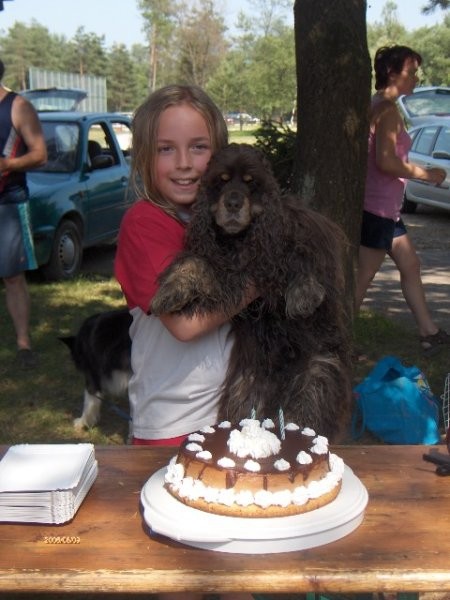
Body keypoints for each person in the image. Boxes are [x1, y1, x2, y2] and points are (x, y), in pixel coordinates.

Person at [115, 84, 256, 600]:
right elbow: (186, 322)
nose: (184, 164)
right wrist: (261, 279)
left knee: (234, 563)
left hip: (235, 421)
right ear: (144, 158)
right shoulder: (144, 223)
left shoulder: (218, 223)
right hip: (171, 427)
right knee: (179, 571)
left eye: (198, 147)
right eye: (166, 149)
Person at [355, 45, 449, 357]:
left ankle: (429, 332)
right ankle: (336, 341)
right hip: (377, 209)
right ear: (393, 74)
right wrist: (427, 174)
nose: (416, 77)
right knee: (362, 279)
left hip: (389, 211)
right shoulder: (387, 111)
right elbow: (386, 162)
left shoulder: (380, 105)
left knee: (411, 264)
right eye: (411, 71)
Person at [0, 59, 47, 369]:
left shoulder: (17, 106)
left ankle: (23, 343)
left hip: (8, 201)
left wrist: (8, 165)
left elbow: (40, 154)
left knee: (13, 277)